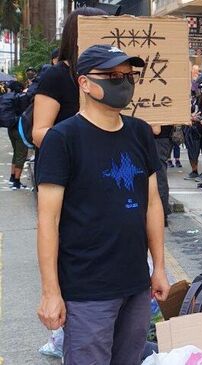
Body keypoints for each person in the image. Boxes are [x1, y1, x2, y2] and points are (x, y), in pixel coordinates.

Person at [36, 44, 170, 364]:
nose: (123, 82)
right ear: (84, 83)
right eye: (111, 75)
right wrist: (51, 292)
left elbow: (152, 204)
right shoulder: (62, 139)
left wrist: (160, 268)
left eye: (128, 75)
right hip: (87, 289)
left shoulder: (139, 132)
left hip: (136, 284)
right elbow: (47, 222)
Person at [32, 7, 108, 148]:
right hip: (70, 165)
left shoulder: (116, 75)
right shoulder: (56, 76)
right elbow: (39, 135)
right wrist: (78, 128)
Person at [5, 81, 29, 190]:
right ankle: (17, 182)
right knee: (21, 155)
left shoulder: (9, 99)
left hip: (11, 128)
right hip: (20, 129)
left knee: (16, 153)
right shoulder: (22, 98)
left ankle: (12, 177)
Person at [152, 125, 174, 227]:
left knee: (158, 177)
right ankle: (162, 213)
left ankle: (161, 213)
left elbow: (156, 129)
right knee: (159, 177)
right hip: (161, 140)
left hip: (158, 141)